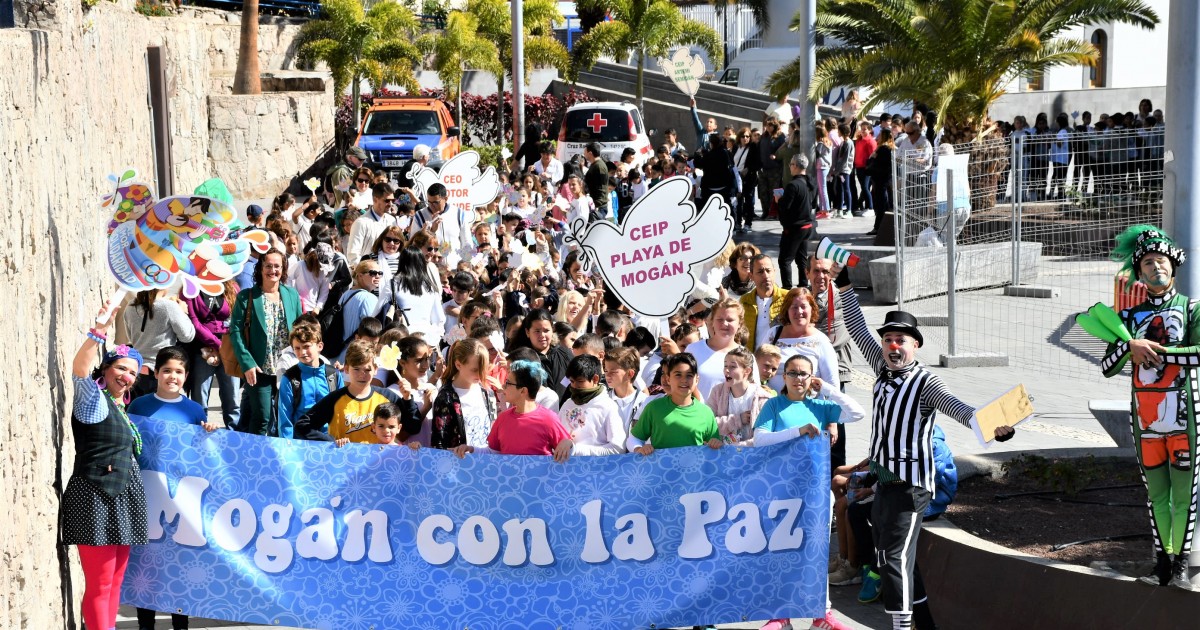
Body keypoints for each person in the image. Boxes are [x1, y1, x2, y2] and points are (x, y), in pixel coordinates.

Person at [839, 270, 1015, 630]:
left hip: (911, 485)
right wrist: (843, 284)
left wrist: (993, 429)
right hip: (885, 481)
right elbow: (857, 328)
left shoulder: (924, 381)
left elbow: (957, 407)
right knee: (895, 556)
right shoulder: (882, 366)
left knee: (894, 557)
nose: (892, 345)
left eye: (899, 339)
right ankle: (926, 624)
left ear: (915, 345)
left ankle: (902, 626)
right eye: (888, 338)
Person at [1101, 226, 1198, 590]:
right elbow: (1107, 366)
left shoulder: (1191, 308)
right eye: (1147, 262)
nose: (1155, 267)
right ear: (1138, 273)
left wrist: (1157, 351)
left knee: (1184, 496)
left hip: (1186, 418)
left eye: (1161, 260)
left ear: (1174, 267)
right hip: (1145, 422)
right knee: (1155, 494)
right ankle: (1161, 562)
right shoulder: (1127, 319)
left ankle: (1181, 566)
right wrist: (1129, 347)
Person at [754, 353, 861, 630]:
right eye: (792, 373)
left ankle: (821, 614)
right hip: (780, 491)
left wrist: (825, 388)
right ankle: (780, 615)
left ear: (811, 377)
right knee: (781, 552)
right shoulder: (774, 406)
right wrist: (798, 431)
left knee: (816, 551)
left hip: (813, 491)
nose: (798, 379)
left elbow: (856, 412)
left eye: (804, 373)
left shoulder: (820, 405)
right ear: (783, 376)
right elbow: (760, 440)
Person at [65, 311, 148, 630]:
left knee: (115, 582)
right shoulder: (93, 401)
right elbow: (79, 370)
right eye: (121, 368)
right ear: (107, 368)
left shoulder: (121, 409)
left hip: (122, 501)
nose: (126, 376)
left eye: (132, 373)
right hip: (95, 498)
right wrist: (98, 333)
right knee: (100, 584)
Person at [129, 347, 217, 630]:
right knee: (146, 562)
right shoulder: (139, 407)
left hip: (182, 498)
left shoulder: (194, 410)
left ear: (187, 376)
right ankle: (146, 623)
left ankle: (181, 624)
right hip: (146, 496)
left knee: (179, 561)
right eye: (167, 370)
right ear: (156, 373)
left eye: (179, 372)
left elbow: (203, 454)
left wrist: (210, 434)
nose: (172, 376)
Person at [229, 249, 302, 436]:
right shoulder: (246, 296)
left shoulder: (292, 295)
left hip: (287, 367)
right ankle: (256, 459)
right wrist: (247, 364)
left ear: (283, 268)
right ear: (260, 268)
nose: (272, 270)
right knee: (262, 416)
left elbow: (301, 329)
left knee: (285, 416)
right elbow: (235, 331)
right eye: (268, 265)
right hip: (258, 368)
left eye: (277, 266)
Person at [294, 340, 420, 445]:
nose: (362, 375)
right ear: (347, 369)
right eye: (356, 369)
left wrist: (408, 399)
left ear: (376, 370)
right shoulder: (335, 399)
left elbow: (413, 427)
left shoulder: (387, 397)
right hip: (345, 466)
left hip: (379, 465)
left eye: (367, 369)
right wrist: (332, 442)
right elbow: (302, 426)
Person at [452, 359, 575, 460]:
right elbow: (493, 453)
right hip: (509, 488)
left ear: (523, 391)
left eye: (508, 383)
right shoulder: (503, 418)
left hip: (539, 488)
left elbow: (566, 451)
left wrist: (569, 444)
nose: (503, 386)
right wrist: (471, 449)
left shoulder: (549, 419)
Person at [626, 352, 723, 454]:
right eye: (678, 375)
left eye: (689, 375)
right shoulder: (654, 408)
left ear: (697, 380)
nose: (684, 380)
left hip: (694, 469)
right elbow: (633, 439)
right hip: (661, 469)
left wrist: (716, 443)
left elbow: (715, 444)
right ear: (668, 379)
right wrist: (639, 448)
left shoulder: (705, 412)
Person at [808, 256, 854, 469]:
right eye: (816, 271)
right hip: (806, 378)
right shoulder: (802, 298)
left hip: (836, 373)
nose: (821, 276)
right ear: (807, 273)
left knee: (835, 432)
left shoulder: (840, 298)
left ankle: (837, 486)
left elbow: (833, 335)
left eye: (826, 271)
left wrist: (803, 336)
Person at [763, 288, 840, 400]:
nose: (799, 311)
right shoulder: (773, 334)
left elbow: (832, 384)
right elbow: (758, 367)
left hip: (808, 409)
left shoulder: (821, 341)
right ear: (787, 310)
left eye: (803, 307)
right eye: (794, 307)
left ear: (812, 309)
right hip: (772, 407)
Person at [184, 279, 240, 430]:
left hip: (229, 347)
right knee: (199, 399)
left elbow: (238, 317)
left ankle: (234, 437)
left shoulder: (232, 287)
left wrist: (227, 345)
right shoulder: (191, 288)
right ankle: (198, 434)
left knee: (233, 399)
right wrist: (218, 344)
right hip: (201, 349)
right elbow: (194, 323)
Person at [122, 289, 196, 399]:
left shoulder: (131, 305)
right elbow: (187, 336)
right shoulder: (169, 306)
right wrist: (183, 312)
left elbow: (130, 337)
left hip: (137, 369)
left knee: (137, 411)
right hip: (161, 369)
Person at [430, 338, 500, 450]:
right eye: (474, 369)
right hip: (460, 463)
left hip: (486, 461)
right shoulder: (446, 398)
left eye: (483, 368)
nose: (480, 374)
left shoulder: (487, 391)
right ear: (458, 365)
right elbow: (439, 443)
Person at [277, 325, 343, 440]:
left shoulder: (333, 375)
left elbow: (342, 411)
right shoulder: (290, 378)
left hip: (330, 442)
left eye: (307, 346)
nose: (302, 352)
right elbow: (285, 419)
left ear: (319, 346)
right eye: (297, 348)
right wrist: (287, 448)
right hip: (301, 442)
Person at [686, 298, 757, 403]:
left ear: (740, 324)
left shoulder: (747, 356)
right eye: (719, 319)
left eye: (730, 320)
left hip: (733, 417)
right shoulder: (693, 349)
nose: (724, 324)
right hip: (698, 416)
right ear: (712, 322)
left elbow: (753, 392)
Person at [558, 354, 627, 454]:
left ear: (595, 379)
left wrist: (576, 449)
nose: (574, 386)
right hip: (566, 468)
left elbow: (618, 449)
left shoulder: (609, 408)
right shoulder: (567, 404)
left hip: (598, 468)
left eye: (580, 381)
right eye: (572, 381)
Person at [376, 247, 445, 345]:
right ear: (422, 262)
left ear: (401, 261)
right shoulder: (431, 287)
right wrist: (433, 342)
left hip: (400, 342)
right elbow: (439, 320)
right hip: (425, 341)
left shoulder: (393, 284)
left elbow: (378, 311)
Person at [706, 346, 771, 445]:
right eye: (725, 366)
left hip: (750, 456)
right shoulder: (717, 392)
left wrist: (738, 448)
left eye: (732, 367)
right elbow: (707, 424)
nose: (727, 370)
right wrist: (737, 419)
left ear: (747, 371)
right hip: (722, 455)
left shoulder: (762, 399)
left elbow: (764, 437)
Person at [777, 154, 817, 290]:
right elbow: (813, 203)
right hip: (807, 226)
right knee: (801, 258)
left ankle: (787, 289)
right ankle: (803, 283)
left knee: (784, 260)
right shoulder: (810, 183)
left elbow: (785, 206)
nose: (790, 167)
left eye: (790, 165)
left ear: (795, 166)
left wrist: (779, 200)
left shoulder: (793, 185)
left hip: (795, 227)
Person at [740, 254, 788, 352]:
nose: (766, 276)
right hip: (752, 359)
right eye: (760, 272)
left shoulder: (788, 298)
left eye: (768, 271)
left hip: (780, 358)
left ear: (774, 272)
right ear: (751, 276)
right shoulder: (744, 302)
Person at [345, 183, 397, 264]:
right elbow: (353, 255)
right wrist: (368, 272)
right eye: (387, 200)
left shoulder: (392, 220)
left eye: (392, 200)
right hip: (370, 273)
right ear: (375, 199)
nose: (390, 204)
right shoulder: (361, 223)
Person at [603, 346, 649, 434]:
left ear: (630, 374)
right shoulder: (603, 400)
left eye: (613, 372)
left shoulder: (644, 402)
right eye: (605, 370)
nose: (607, 375)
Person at [583, 142, 610, 219]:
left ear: (590, 153)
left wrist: (597, 204)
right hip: (595, 204)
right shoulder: (594, 165)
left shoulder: (599, 166)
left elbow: (601, 187)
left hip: (599, 207)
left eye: (585, 153)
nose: (584, 155)